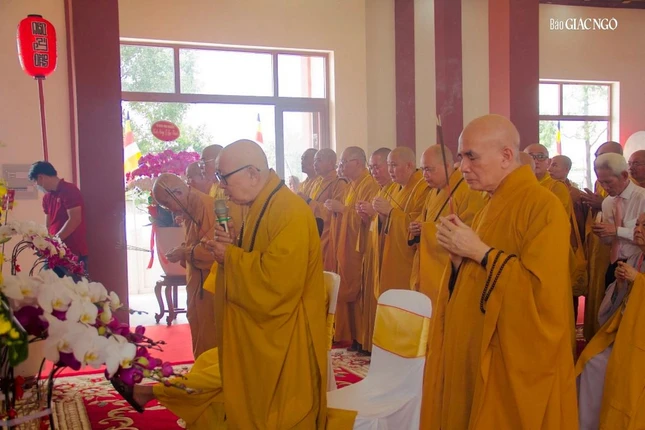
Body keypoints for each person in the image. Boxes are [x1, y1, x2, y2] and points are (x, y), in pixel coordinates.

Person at [128, 140, 329, 429]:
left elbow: (279, 283)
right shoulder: (258, 205)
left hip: (283, 332)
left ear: (252, 174)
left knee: (232, 377)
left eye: (224, 177)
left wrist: (230, 257)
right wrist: (231, 247)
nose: (220, 186)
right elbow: (255, 259)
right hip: (258, 323)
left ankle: (155, 393)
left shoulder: (290, 212)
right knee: (213, 365)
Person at [420, 114, 578, 429]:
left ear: (506, 156)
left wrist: (480, 252)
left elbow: (541, 296)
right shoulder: (488, 205)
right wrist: (458, 260)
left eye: (471, 157)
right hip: (474, 345)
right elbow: (477, 272)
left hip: (508, 357)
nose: (463, 167)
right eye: (461, 157)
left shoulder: (543, 207)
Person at [576, 212, 645, 429]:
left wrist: (639, 281)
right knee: (590, 360)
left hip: (639, 341)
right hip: (625, 332)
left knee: (607, 368)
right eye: (637, 224)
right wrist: (622, 286)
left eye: (644, 226)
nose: (638, 230)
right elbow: (613, 309)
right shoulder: (635, 258)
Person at [409, 145, 486, 305]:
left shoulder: (467, 190)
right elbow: (425, 220)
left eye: (429, 169)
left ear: (447, 166)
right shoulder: (433, 191)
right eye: (423, 169)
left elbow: (471, 231)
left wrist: (427, 229)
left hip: (450, 270)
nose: (424, 175)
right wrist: (416, 228)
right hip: (430, 269)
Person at [152, 173, 217, 359]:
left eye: (167, 204)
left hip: (209, 286)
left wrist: (184, 252)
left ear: (178, 192)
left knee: (209, 335)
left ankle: (209, 374)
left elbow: (213, 251)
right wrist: (182, 249)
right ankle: (201, 370)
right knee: (199, 329)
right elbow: (195, 242)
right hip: (197, 284)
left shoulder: (205, 206)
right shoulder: (190, 208)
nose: (170, 211)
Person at [327, 147, 379, 350]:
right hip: (348, 246)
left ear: (357, 163)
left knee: (360, 292)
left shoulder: (370, 184)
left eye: (344, 162)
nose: (341, 166)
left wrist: (343, 210)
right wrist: (339, 211)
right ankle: (355, 336)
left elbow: (367, 218)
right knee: (351, 291)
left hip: (361, 248)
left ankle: (362, 336)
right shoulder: (351, 186)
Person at [372, 147, 429, 297]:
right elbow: (386, 221)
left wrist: (390, 212)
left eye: (394, 165)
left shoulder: (423, 187)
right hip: (390, 256)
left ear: (409, 165)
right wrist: (381, 215)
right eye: (388, 165)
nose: (390, 170)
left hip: (407, 261)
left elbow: (417, 226)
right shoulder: (394, 188)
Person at [581, 141, 623, 341]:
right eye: (597, 155)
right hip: (599, 244)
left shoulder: (632, 186)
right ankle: (593, 335)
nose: (599, 160)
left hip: (618, 248)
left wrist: (602, 203)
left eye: (604, 155)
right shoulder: (600, 183)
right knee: (596, 287)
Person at [356, 147, 396, 354]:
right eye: (371, 167)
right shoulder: (382, 190)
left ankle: (381, 347)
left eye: (377, 167)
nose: (374, 172)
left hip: (390, 256)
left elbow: (405, 222)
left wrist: (380, 214)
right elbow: (375, 224)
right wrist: (367, 216)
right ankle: (370, 342)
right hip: (373, 251)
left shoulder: (397, 190)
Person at [592, 153, 645, 289]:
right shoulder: (607, 202)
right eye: (601, 182)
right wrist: (603, 233)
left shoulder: (642, 198)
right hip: (614, 264)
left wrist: (617, 231)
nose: (605, 187)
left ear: (624, 175)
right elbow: (610, 241)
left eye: (608, 182)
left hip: (638, 265)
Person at [28, 161, 88, 275]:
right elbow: (47, 225)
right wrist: (43, 244)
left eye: (36, 182)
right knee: (48, 283)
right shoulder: (47, 197)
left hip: (72, 252)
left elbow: (75, 219)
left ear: (41, 177)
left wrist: (56, 241)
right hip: (53, 253)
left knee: (73, 285)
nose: (38, 186)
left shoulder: (69, 190)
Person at [299, 148, 347, 272]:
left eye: (319, 160)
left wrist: (309, 201)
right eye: (315, 161)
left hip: (328, 236)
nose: (315, 164)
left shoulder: (339, 183)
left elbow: (333, 212)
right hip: (314, 233)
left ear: (331, 163)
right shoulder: (317, 182)